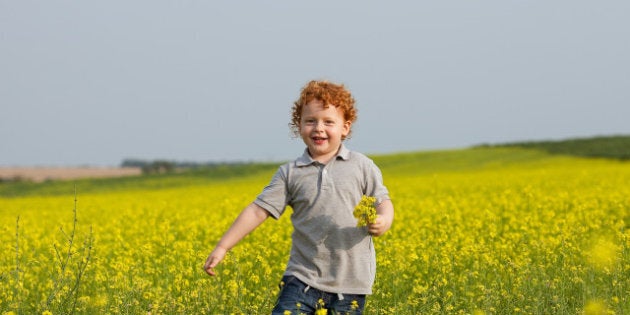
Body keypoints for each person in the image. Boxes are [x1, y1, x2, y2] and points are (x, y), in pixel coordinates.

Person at [203, 80, 394, 314]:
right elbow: (257, 210)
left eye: (328, 122)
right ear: (299, 125)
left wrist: (383, 220)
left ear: (345, 127)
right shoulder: (291, 173)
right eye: (310, 121)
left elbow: (382, 201)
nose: (319, 128)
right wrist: (223, 247)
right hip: (301, 279)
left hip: (351, 285)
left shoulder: (362, 166)